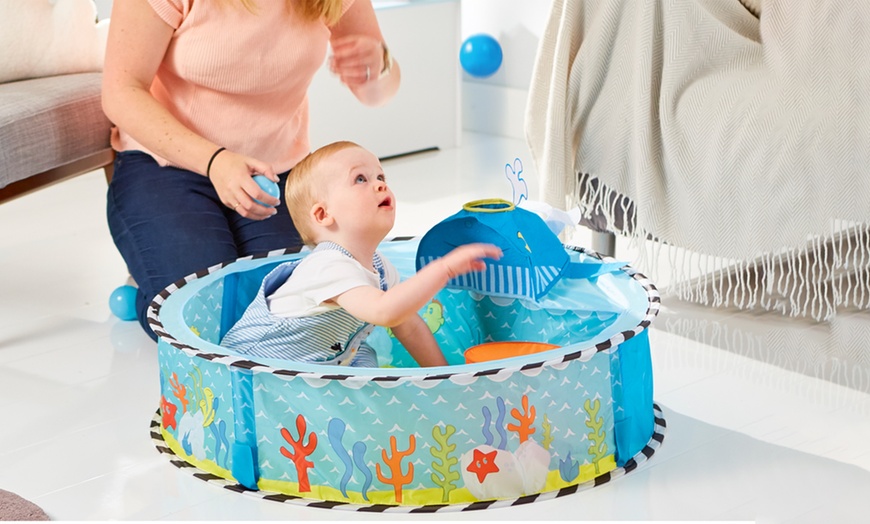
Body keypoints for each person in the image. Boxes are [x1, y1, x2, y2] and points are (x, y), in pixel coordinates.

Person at [101, 0, 402, 340]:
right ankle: (148, 274)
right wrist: (214, 160)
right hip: (167, 163)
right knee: (205, 323)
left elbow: (377, 90)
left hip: (273, 173)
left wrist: (375, 67)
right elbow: (121, 91)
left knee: (293, 314)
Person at [220, 141, 502, 367]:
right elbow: (384, 311)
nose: (380, 184)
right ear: (323, 214)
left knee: (365, 361)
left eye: (381, 176)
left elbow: (410, 327)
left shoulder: (380, 268)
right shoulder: (326, 265)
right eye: (360, 179)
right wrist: (444, 270)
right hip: (255, 368)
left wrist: (444, 377)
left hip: (327, 359)